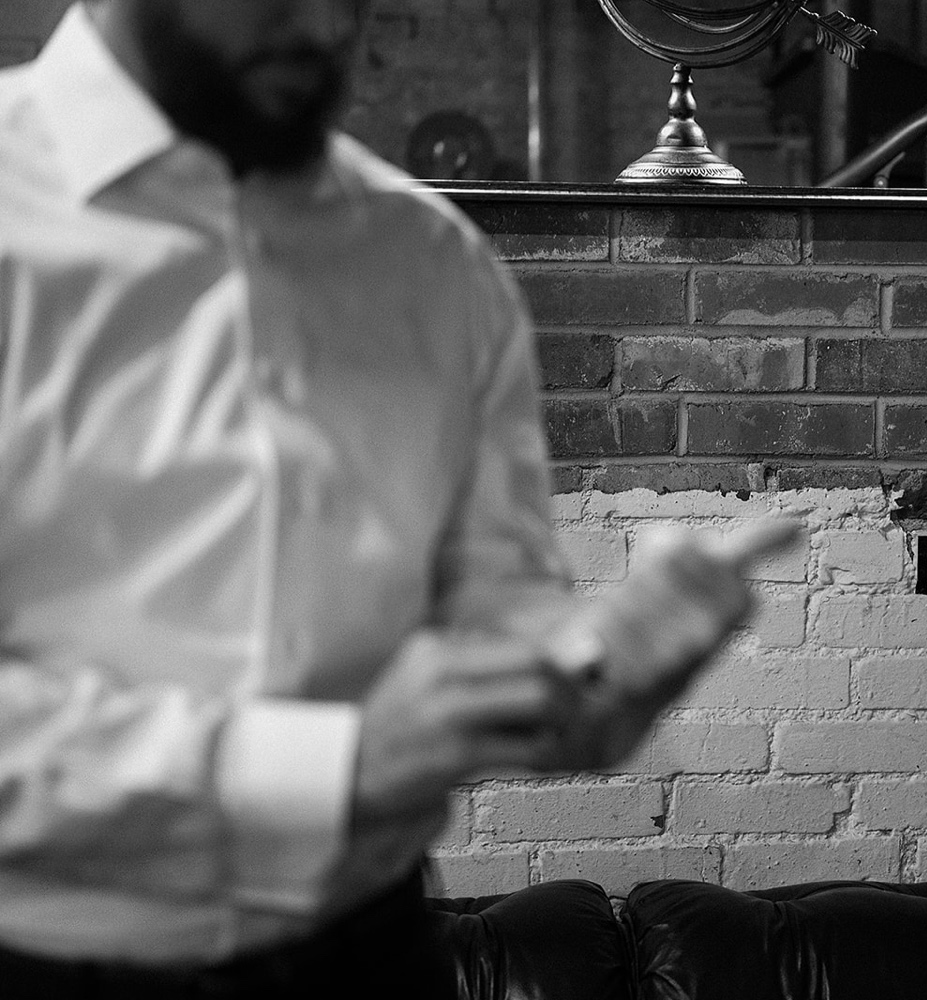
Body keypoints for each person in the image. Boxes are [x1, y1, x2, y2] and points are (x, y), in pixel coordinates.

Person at [0, 2, 789, 995]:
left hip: (374, 957)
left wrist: (594, 677)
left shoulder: (435, 263)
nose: (330, 25)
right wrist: (334, 763)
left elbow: (495, 629)